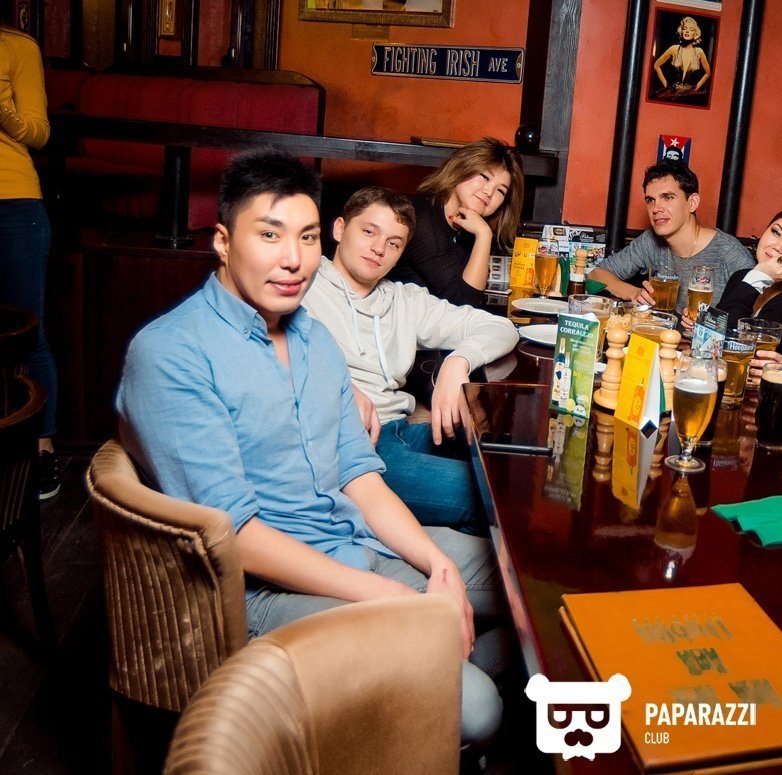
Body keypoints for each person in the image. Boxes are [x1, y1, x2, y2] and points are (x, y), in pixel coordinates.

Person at [116, 148, 507, 744]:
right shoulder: (173, 352)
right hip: (261, 593)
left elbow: (360, 477)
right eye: (269, 234)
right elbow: (236, 537)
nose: (293, 259)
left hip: (355, 540)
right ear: (223, 241)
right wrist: (393, 597)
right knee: (478, 706)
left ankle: (416, 700)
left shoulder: (314, 339)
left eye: (305, 237)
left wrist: (437, 565)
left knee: (529, 594)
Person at [302, 186, 518, 533]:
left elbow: (502, 329)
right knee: (496, 498)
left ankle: (412, 537)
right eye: (369, 232)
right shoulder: (300, 288)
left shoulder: (405, 300)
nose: (379, 248)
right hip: (356, 447)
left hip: (403, 430)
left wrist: (458, 362)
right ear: (340, 229)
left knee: (508, 467)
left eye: (394, 243)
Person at [0, 25, 61, 499]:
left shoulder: (17, 46)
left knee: (27, 329)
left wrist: (2, 112)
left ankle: (42, 450)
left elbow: (39, 133)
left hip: (13, 203)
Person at [588, 161, 753, 311]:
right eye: (650, 200)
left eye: (667, 198)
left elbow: (754, 316)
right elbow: (596, 275)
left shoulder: (730, 253)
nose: (656, 208)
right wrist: (634, 293)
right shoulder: (650, 241)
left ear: (692, 203)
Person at [392, 137, 524, 310]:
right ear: (461, 168)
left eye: (500, 190)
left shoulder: (468, 225)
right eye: (485, 177)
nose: (489, 192)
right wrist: (484, 235)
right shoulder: (422, 217)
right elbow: (462, 304)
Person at [716, 206, 782, 357]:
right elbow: (715, 329)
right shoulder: (741, 277)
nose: (778, 247)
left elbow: (733, 347)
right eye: (776, 232)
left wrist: (758, 277)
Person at [652, 16, 712, 96]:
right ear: (681, 31)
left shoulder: (699, 52)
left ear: (695, 34)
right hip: (672, 93)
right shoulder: (674, 49)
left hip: (690, 94)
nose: (687, 31)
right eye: (684, 28)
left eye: (691, 30)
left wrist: (696, 88)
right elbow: (656, 65)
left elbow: (708, 73)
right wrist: (665, 84)